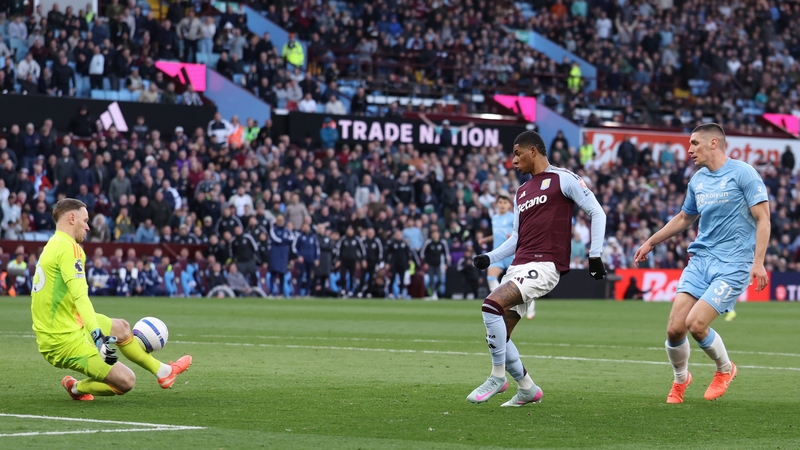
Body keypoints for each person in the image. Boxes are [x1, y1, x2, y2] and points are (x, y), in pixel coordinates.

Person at [633, 123, 770, 404]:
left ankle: (724, 369)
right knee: (674, 328)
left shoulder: (743, 173)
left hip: (733, 264)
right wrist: (651, 241)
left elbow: (763, 218)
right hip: (701, 261)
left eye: (695, 143)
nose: (690, 149)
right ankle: (681, 379)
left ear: (714, 143)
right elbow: (685, 218)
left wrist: (759, 262)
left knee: (696, 324)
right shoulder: (697, 180)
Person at [470, 131, 607, 407]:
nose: (513, 160)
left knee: (490, 306)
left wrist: (595, 255)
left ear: (533, 151)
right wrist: (490, 257)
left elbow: (597, 212)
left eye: (517, 153)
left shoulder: (563, 178)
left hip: (545, 265)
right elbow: (517, 239)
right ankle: (528, 388)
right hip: (518, 266)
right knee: (500, 333)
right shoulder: (521, 192)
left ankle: (497, 377)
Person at [30, 199, 192, 401]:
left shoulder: (53, 244)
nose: (88, 226)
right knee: (126, 381)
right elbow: (81, 297)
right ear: (72, 218)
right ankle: (76, 388)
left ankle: (164, 372)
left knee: (123, 328)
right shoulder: (70, 249)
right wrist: (97, 336)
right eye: (85, 220)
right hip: (63, 341)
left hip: (68, 322)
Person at [478, 196, 523, 315]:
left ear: (509, 205)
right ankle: (499, 303)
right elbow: (497, 234)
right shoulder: (494, 218)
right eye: (500, 202)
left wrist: (514, 238)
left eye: (505, 202)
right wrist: (486, 239)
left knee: (520, 283)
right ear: (497, 204)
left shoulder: (512, 218)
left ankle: (530, 305)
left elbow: (520, 233)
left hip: (510, 254)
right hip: (497, 253)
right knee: (491, 278)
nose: (502, 205)